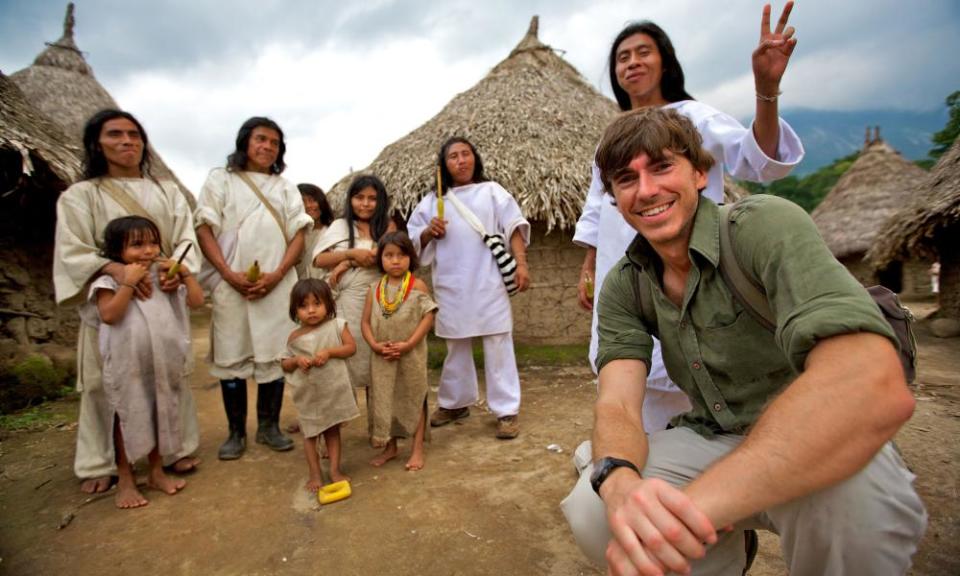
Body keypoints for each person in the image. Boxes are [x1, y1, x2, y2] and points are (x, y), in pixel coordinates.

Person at [562, 106, 927, 575]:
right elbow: (617, 406)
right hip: (716, 435)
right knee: (597, 514)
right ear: (612, 196)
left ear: (699, 173)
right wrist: (617, 482)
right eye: (626, 179)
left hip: (816, 434)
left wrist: (687, 513)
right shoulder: (626, 284)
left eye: (661, 166)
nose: (646, 190)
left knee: (855, 520)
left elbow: (872, 385)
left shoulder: (763, 227)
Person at [573, 3, 804, 434]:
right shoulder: (612, 135)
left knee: (690, 378)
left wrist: (765, 90)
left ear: (665, 61)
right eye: (623, 58)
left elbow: (760, 161)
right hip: (620, 272)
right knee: (628, 377)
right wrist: (589, 265)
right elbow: (596, 205)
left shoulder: (694, 119)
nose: (632, 63)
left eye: (643, 52)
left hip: (683, 273)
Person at [53, 109, 202, 494]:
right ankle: (100, 461)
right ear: (96, 143)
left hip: (161, 298)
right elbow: (72, 250)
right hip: (114, 304)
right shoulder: (80, 196)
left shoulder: (167, 192)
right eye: (115, 134)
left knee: (167, 376)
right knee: (108, 383)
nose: (127, 141)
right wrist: (116, 271)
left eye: (134, 134)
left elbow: (186, 239)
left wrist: (175, 271)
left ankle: (173, 450)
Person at [195, 116, 313, 460]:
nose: (267, 147)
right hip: (232, 286)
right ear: (245, 141)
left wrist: (277, 274)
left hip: (276, 287)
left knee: (275, 355)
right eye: (261, 139)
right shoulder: (220, 180)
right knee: (232, 354)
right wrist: (229, 274)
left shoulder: (285, 186)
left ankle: (268, 427)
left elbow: (299, 233)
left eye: (274, 143)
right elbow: (204, 228)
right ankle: (235, 433)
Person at [407, 137, 531, 439]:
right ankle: (455, 403)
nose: (461, 160)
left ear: (474, 158)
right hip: (452, 284)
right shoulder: (433, 202)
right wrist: (427, 233)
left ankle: (506, 411)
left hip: (489, 282)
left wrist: (522, 263)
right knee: (456, 345)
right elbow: (412, 241)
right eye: (453, 156)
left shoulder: (492, 192)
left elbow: (514, 225)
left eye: (466, 154)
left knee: (498, 344)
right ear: (444, 164)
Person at [87, 216, 205, 507]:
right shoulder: (108, 281)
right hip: (128, 365)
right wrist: (127, 283)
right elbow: (109, 315)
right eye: (137, 245)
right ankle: (125, 477)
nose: (149, 251)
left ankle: (155, 471)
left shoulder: (165, 277)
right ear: (117, 250)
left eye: (153, 243)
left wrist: (187, 276)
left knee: (159, 411)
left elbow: (197, 301)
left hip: (162, 362)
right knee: (126, 414)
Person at [312, 175, 395, 419]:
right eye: (360, 198)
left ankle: (378, 425)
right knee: (343, 359)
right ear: (350, 200)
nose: (366, 204)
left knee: (375, 361)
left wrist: (348, 262)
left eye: (372, 198)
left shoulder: (387, 227)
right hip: (345, 304)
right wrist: (349, 255)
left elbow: (377, 257)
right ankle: (337, 424)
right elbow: (319, 259)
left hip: (379, 301)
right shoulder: (339, 226)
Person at [361, 231, 437, 470]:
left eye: (402, 255)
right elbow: (364, 322)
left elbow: (429, 317)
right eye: (389, 255)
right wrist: (374, 344)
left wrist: (409, 344)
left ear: (410, 258)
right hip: (382, 357)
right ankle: (390, 446)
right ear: (380, 259)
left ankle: (416, 449)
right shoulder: (374, 289)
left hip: (410, 355)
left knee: (415, 396)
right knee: (387, 398)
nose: (395, 260)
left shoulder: (418, 286)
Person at [281, 279, 358, 491]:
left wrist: (330, 352)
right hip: (309, 397)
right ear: (295, 310)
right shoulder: (294, 337)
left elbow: (351, 348)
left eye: (317, 303)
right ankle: (315, 474)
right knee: (310, 435)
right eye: (303, 306)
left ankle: (334, 470)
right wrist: (296, 361)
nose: (311, 310)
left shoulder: (337, 326)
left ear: (328, 304)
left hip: (332, 393)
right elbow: (284, 364)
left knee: (333, 432)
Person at [296, 183, 334, 280]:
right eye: (303, 202)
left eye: (312, 200)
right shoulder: (292, 235)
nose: (308, 205)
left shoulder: (333, 232)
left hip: (324, 287)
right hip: (296, 288)